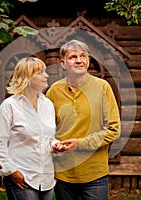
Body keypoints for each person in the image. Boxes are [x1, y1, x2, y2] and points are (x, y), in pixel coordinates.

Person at [46, 39, 121, 200]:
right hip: (63, 173)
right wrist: (53, 144)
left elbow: (113, 129)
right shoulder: (53, 91)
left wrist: (80, 143)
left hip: (94, 173)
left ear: (88, 61)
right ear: (63, 63)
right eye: (73, 57)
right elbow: (46, 129)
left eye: (83, 56)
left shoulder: (103, 87)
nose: (79, 60)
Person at [0, 57, 64, 200]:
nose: (46, 75)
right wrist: (12, 171)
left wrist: (55, 144)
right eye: (40, 72)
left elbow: (47, 137)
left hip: (46, 178)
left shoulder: (48, 104)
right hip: (22, 177)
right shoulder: (9, 106)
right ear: (27, 77)